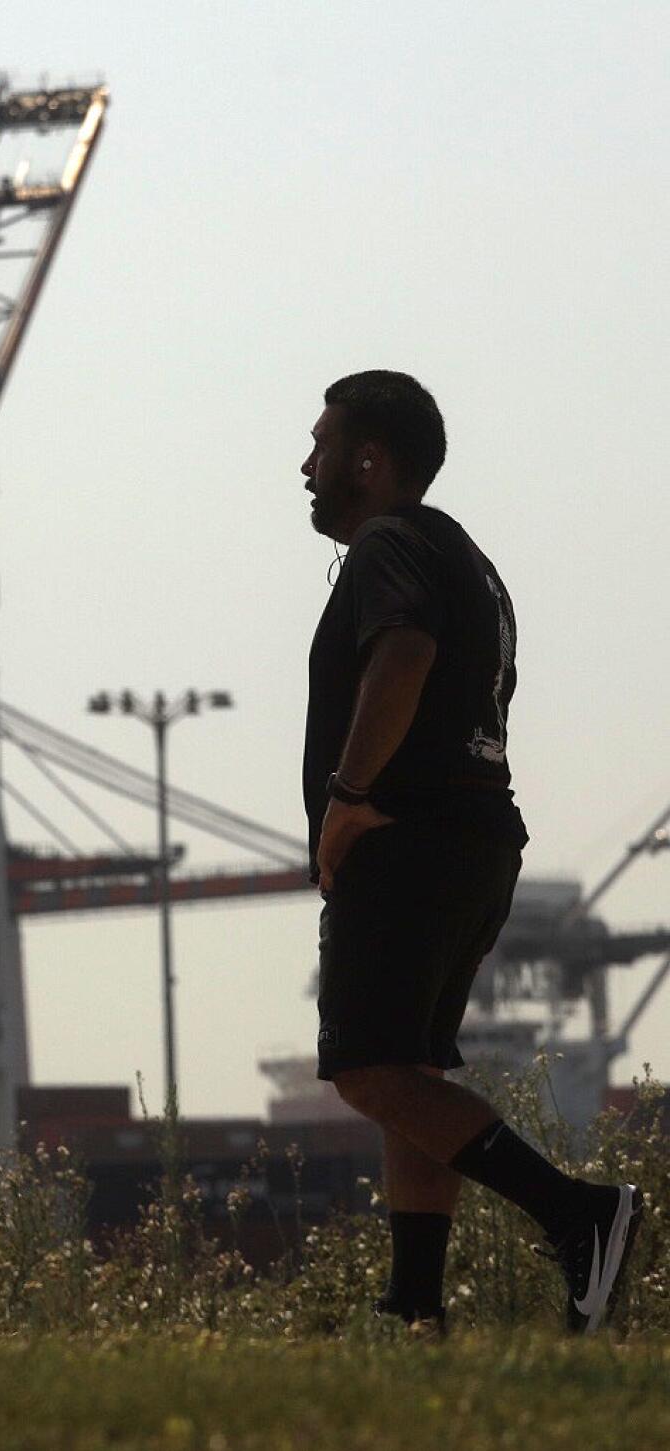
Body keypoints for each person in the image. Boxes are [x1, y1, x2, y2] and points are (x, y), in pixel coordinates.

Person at [300, 369, 640, 1334]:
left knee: (367, 1069)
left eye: (322, 448)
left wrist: (349, 797)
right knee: (411, 1079)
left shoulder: (392, 546)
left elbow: (403, 656)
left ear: (370, 461)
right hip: (476, 841)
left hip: (409, 841)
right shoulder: (467, 558)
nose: (306, 467)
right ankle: (415, 1311)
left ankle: (580, 1213)